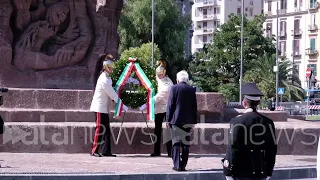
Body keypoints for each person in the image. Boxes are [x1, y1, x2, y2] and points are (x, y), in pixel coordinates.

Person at [222, 82, 277, 180]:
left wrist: (228, 171)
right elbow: (271, 149)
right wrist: (269, 171)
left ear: (244, 102)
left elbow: (233, 148)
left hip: (241, 173)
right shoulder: (268, 122)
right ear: (258, 103)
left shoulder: (237, 121)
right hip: (260, 172)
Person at [90, 54, 128, 157]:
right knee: (99, 129)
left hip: (103, 108)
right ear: (106, 67)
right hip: (99, 108)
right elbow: (112, 94)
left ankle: (106, 151)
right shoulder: (104, 79)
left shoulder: (106, 77)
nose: (112, 69)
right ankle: (94, 150)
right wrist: (122, 105)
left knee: (106, 130)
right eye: (110, 67)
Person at [166, 70, 197, 171]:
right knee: (185, 144)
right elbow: (194, 107)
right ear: (187, 79)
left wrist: (168, 119)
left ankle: (177, 165)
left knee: (175, 143)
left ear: (178, 79)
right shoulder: (191, 89)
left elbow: (170, 105)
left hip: (176, 120)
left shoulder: (174, 88)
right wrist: (194, 121)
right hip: (187, 121)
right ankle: (183, 165)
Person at [149, 59, 174, 157]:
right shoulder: (157, 79)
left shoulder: (168, 82)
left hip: (166, 108)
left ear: (164, 73)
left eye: (160, 74)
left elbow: (161, 94)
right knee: (157, 130)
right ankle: (156, 151)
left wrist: (149, 102)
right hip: (159, 109)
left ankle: (170, 151)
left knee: (168, 130)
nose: (159, 76)